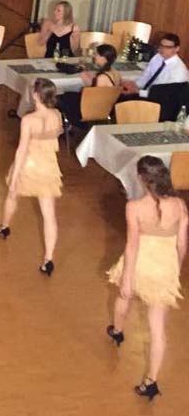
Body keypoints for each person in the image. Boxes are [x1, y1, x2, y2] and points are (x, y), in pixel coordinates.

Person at [105, 156, 188, 401]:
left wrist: (127, 278)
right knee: (157, 328)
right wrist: (176, 269)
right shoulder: (180, 205)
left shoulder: (134, 207)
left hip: (140, 264)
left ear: (141, 179)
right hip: (164, 268)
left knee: (123, 297)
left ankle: (117, 330)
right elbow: (182, 245)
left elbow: (132, 245)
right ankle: (151, 380)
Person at [0, 78, 64, 276]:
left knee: (12, 195)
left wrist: (15, 175)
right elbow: (56, 136)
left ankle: (4, 226)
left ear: (35, 95)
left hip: (29, 165)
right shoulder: (57, 115)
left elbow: (22, 149)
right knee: (49, 214)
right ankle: (48, 258)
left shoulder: (28, 120)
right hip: (48, 166)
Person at [122, 33, 188, 98]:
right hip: (144, 93)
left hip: (159, 100)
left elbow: (164, 95)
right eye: (161, 46)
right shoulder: (158, 57)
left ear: (177, 49)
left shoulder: (179, 71)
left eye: (167, 47)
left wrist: (137, 92)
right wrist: (134, 85)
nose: (163, 49)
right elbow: (146, 76)